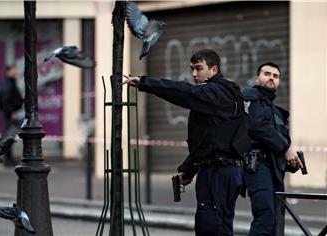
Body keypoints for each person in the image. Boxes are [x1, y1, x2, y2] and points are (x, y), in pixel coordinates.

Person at [124, 49, 251, 236]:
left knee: (212, 227)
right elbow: (210, 139)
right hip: (221, 170)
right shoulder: (225, 94)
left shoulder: (215, 93)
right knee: (217, 225)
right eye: (192, 69)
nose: (194, 74)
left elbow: (182, 91)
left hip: (219, 171)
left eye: (199, 69)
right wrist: (190, 168)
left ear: (214, 70)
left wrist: (145, 83)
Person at [242, 62, 303, 236]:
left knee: (276, 222)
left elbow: (280, 143)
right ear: (257, 78)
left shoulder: (277, 113)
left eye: (275, 76)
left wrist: (292, 161)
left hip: (276, 170)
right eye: (267, 74)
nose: (271, 78)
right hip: (257, 166)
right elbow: (257, 126)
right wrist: (285, 148)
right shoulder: (250, 96)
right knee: (265, 218)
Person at [0, 65, 23, 166]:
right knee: (9, 135)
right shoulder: (7, 83)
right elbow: (6, 99)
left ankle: (8, 157)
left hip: (12, 112)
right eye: (14, 70)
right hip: (10, 114)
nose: (16, 71)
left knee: (10, 135)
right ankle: (6, 158)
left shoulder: (10, 82)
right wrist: (11, 112)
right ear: (9, 71)